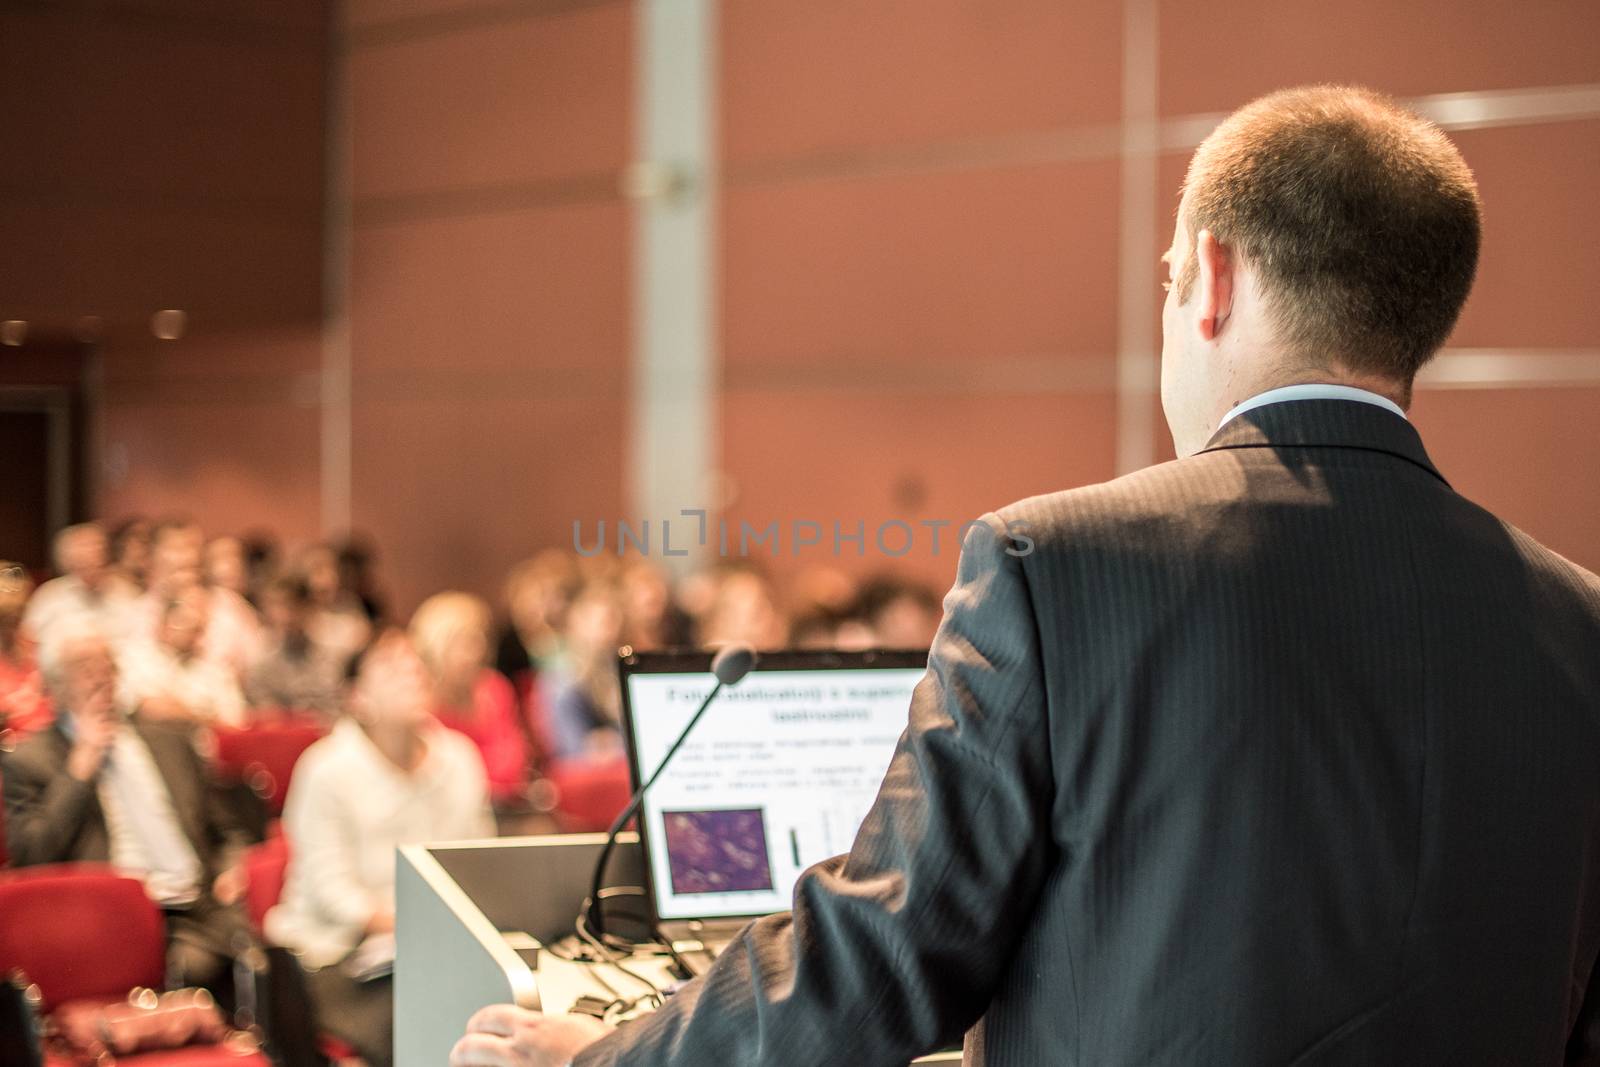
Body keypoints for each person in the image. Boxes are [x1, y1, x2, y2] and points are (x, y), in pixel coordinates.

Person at [451, 86, 1600, 1067]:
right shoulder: (1577, 622)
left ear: (1208, 277)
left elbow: (882, 957)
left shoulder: (1059, 566)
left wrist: (599, 1048)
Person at [267, 630, 493, 1067]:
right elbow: (336, 899)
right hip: (339, 958)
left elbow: (477, 863)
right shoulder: (327, 769)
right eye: (391, 668)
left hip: (438, 949)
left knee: (508, 1011)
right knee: (434, 1022)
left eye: (416, 664)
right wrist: (427, 926)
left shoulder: (459, 758)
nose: (412, 674)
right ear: (358, 697)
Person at [2, 624, 253, 997]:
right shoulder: (28, 761)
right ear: (54, 685)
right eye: (85, 668)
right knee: (201, 965)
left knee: (277, 949)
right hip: (106, 920)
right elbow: (33, 857)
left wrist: (233, 868)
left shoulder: (167, 740)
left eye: (108, 665)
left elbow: (227, 829)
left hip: (196, 904)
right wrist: (79, 770)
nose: (101, 676)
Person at [409, 592, 528, 808]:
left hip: (505, 808)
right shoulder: (420, 705)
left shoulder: (496, 689)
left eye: (478, 639)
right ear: (436, 647)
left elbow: (514, 764)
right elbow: (435, 780)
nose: (474, 652)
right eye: (461, 643)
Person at [118, 586, 247, 728]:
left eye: (199, 629)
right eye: (186, 625)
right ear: (163, 625)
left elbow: (234, 723)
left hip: (200, 746)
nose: (195, 636)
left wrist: (183, 713)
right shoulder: (134, 657)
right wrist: (201, 715)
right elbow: (149, 710)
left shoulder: (215, 671)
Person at [20, 523, 133, 653]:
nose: (93, 554)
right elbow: (29, 639)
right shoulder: (50, 594)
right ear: (68, 560)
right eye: (84, 549)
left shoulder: (126, 591)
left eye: (98, 547)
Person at [245, 575, 346, 719]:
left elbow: (333, 709)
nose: (285, 615)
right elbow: (262, 712)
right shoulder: (261, 664)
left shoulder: (328, 661)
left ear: (308, 609)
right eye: (279, 607)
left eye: (292, 607)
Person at [0, 563, 52, 739]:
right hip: (13, 754)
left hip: (52, 742)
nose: (12, 623)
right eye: (4, 616)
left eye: (19, 612)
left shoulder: (38, 646)